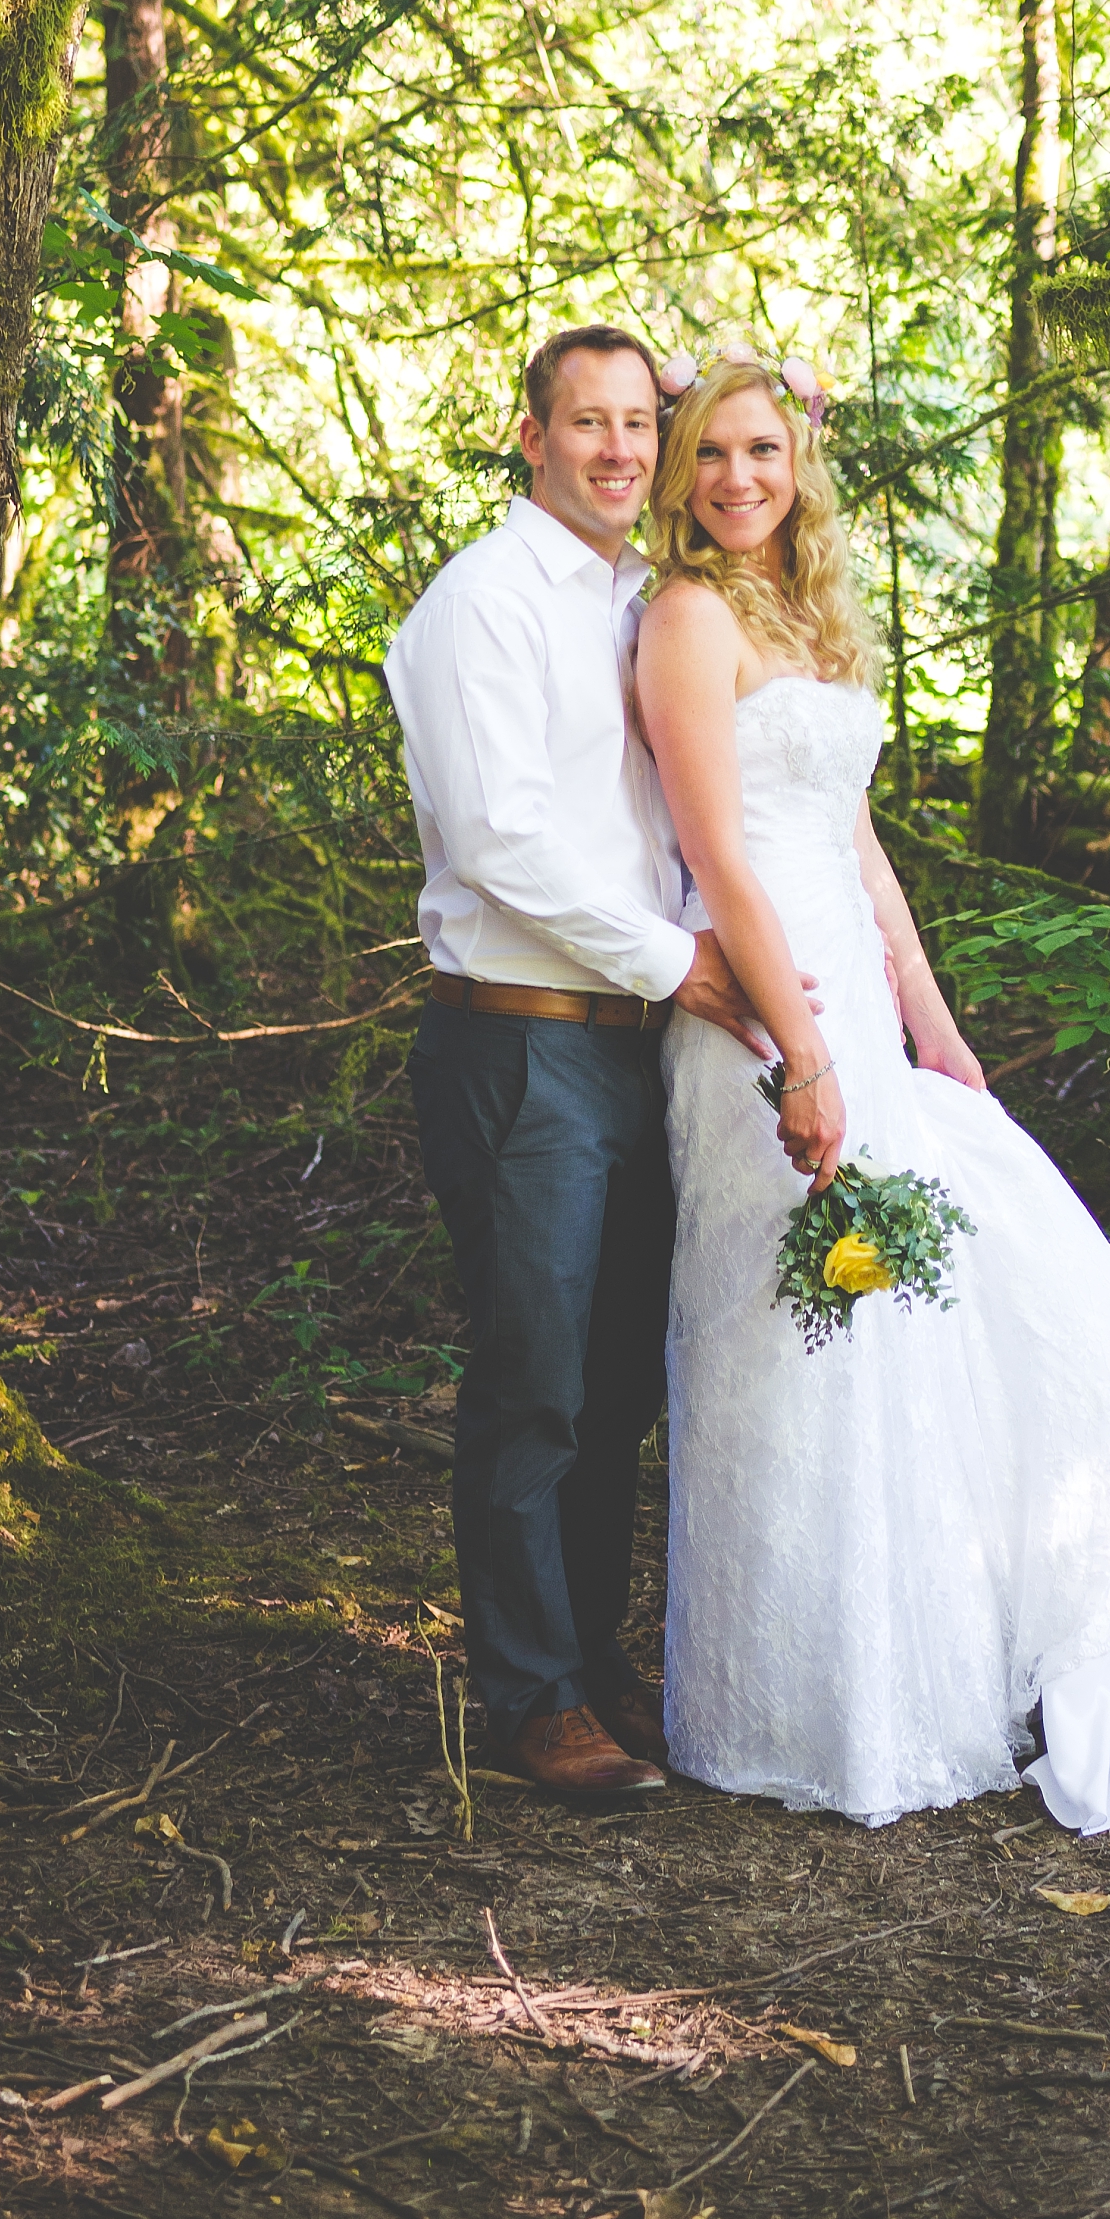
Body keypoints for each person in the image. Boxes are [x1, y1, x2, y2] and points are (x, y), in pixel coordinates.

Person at [635, 348, 1110, 1834]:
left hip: (856, 997)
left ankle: (915, 1687)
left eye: (763, 451)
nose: (738, 478)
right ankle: (787, 1710)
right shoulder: (683, 617)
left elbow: (859, 851)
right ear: (681, 474)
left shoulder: (807, 615)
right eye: (712, 455)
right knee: (794, 1336)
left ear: (799, 465)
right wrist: (799, 1048)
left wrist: (933, 1028)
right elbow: (720, 850)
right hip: (754, 1012)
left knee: (923, 1327)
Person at [384, 325, 782, 1804]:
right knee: (537, 1376)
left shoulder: (649, 601)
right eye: (589, 422)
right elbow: (501, 841)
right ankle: (530, 1692)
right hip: (522, 1037)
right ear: (532, 433)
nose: (620, 448)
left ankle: (595, 1659)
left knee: (621, 1376)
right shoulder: (479, 604)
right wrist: (681, 960)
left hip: (638, 1052)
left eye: (638, 421)